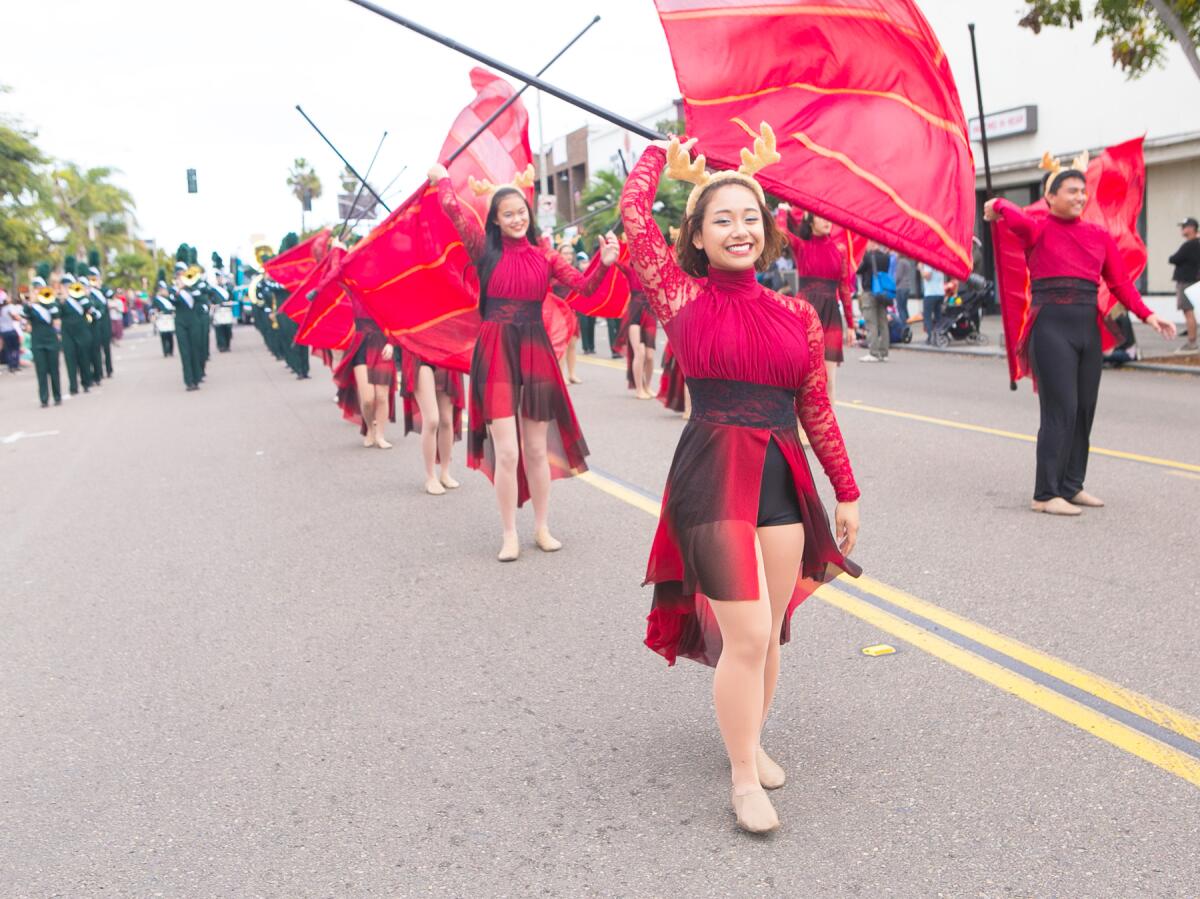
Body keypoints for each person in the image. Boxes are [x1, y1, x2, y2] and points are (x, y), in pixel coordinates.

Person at [621, 128, 861, 834]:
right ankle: (741, 775)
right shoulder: (679, 298)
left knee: (771, 631)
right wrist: (656, 155)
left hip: (782, 479)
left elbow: (817, 407)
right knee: (748, 632)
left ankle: (751, 738)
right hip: (711, 475)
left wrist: (847, 489)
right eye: (722, 218)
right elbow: (634, 220)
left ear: (768, 230)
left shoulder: (798, 316)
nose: (739, 229)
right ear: (697, 235)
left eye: (750, 217)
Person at [429, 161, 617, 562]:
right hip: (496, 349)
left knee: (535, 450)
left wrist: (604, 261)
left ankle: (542, 527)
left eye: (521, 212)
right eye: (508, 213)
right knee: (507, 452)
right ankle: (509, 533)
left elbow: (583, 287)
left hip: (534, 351)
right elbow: (453, 209)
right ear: (495, 220)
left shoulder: (545, 257)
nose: (517, 219)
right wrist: (441, 176)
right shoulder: (483, 250)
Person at [984, 154, 1176, 516]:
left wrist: (1150, 316)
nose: (1080, 197)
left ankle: (1072, 485)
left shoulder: (1098, 236)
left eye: (1082, 192)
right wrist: (997, 203)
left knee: (1084, 410)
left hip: (1087, 329)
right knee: (1061, 409)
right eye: (1071, 191)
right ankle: (1045, 493)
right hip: (1050, 328)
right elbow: (1013, 214)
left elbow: (1120, 284)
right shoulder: (1038, 228)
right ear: (1051, 196)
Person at [776, 206, 855, 399]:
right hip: (804, 316)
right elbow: (781, 233)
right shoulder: (802, 246)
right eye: (821, 217)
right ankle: (800, 428)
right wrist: (782, 211)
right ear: (810, 220)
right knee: (803, 381)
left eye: (828, 217)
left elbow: (844, 289)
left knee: (828, 382)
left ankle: (827, 429)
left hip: (831, 316)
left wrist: (851, 325)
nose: (827, 221)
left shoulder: (840, 249)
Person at [333, 296, 397, 448]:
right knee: (368, 399)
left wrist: (392, 343)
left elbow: (396, 319)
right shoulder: (352, 290)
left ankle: (380, 435)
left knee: (382, 396)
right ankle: (369, 428)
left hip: (382, 344)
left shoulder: (385, 290)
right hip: (360, 345)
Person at [400, 350, 465, 494]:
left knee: (446, 420)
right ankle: (430, 476)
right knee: (432, 420)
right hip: (419, 353)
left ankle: (445, 471)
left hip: (446, 352)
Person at [24, 284, 62, 406]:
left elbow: (56, 319)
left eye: (40, 288)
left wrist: (47, 303)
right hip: (37, 342)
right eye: (36, 289)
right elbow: (25, 318)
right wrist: (31, 302)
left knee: (54, 370)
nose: (38, 291)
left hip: (51, 340)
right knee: (41, 371)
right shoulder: (31, 307)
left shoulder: (52, 304)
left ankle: (57, 397)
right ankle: (44, 399)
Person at [58, 275, 95, 395]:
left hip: (81, 331)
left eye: (69, 285)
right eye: (65, 285)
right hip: (67, 333)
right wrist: (62, 299)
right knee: (70, 360)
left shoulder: (81, 297)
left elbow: (90, 309)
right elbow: (56, 315)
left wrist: (81, 296)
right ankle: (73, 386)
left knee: (84, 358)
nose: (67, 287)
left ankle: (86, 383)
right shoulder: (61, 301)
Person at [1168, 216, 1199, 352]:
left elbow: (1174, 258)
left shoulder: (1189, 245)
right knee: (1190, 311)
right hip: (1194, 280)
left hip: (1187, 282)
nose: (1182, 229)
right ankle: (1192, 340)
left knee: (1188, 312)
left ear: (1192, 228)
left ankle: (1192, 343)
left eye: (1185, 226)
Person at [856, 243, 891, 362]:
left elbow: (859, 270)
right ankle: (884, 352)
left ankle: (874, 353)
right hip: (882, 293)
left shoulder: (867, 257)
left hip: (870, 292)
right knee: (883, 322)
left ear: (871, 242)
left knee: (871, 323)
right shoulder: (886, 257)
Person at [920, 264, 946, 345]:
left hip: (930, 293)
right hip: (940, 292)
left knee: (927, 317)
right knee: (938, 316)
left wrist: (921, 268)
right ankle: (939, 335)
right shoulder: (939, 262)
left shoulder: (928, 263)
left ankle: (931, 336)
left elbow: (927, 276)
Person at [152, 281, 175, 357]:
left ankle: (171, 351)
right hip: (161, 317)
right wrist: (155, 315)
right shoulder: (156, 299)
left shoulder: (169, 297)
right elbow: (154, 308)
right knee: (163, 335)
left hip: (169, 317)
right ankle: (165, 351)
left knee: (170, 335)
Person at [1, 291, 22, 373]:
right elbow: (15, 317)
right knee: (15, 348)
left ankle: (11, 365)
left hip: (3, 331)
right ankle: (15, 365)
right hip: (10, 330)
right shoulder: (9, 307)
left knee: (8, 349)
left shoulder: (1, 309)